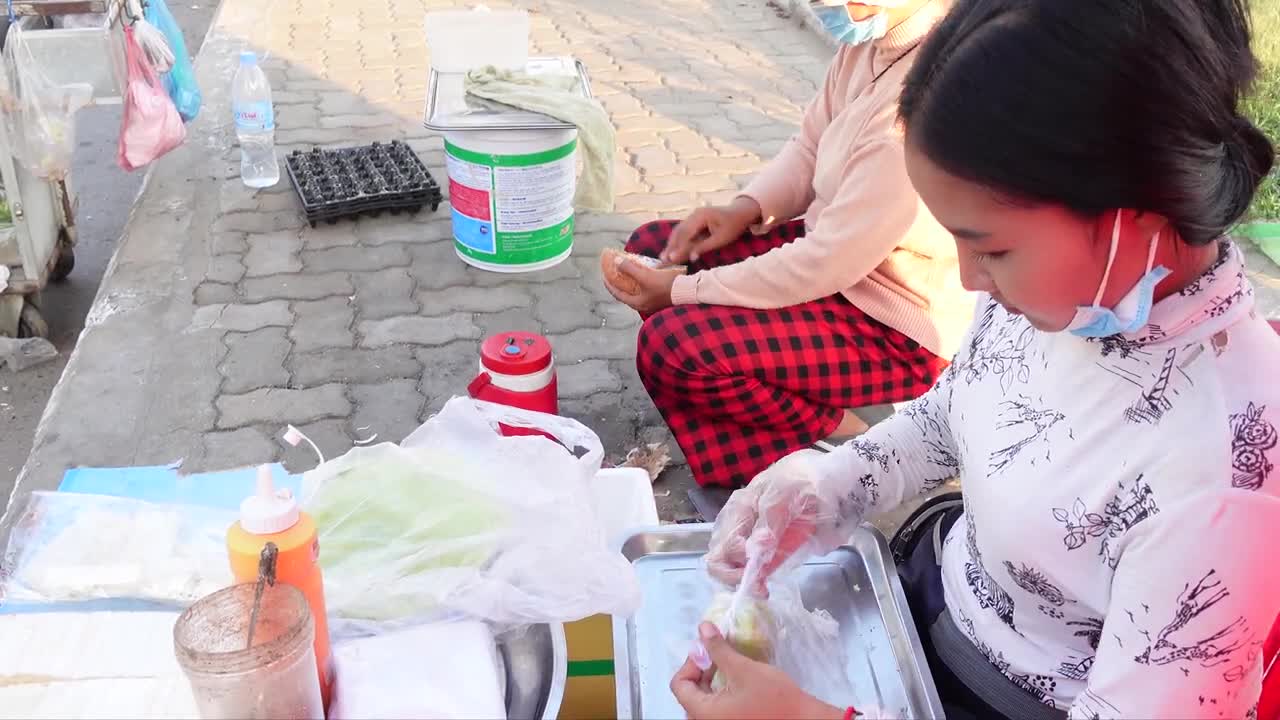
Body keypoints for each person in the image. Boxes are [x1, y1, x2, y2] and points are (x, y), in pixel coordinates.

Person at [672, 0, 1280, 718]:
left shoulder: (1223, 475)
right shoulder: (1067, 298)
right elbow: (947, 419)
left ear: (1136, 210)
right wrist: (827, 489)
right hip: (934, 611)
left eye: (992, 248)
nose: (967, 280)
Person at [603, 0, 972, 488]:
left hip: (895, 326)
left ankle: (841, 433)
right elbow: (809, 146)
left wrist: (681, 292)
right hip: (838, 261)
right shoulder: (872, 44)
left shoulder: (925, 98)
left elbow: (824, 263)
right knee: (656, 245)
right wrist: (745, 209)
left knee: (672, 345)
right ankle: (794, 409)